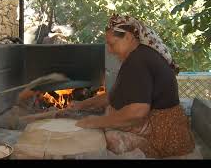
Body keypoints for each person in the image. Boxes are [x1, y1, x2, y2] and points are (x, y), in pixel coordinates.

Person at [73, 14, 195, 158]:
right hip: (170, 128)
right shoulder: (140, 55)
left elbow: (137, 112)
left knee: (105, 140)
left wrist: (95, 122)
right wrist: (82, 105)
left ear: (129, 37)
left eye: (112, 44)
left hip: (164, 135)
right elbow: (113, 96)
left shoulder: (138, 61)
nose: (110, 51)